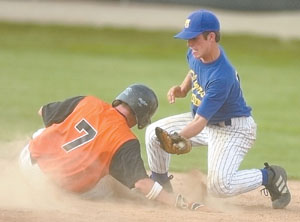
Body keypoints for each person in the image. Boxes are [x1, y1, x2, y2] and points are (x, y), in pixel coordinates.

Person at [145, 10, 291, 209]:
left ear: (211, 37)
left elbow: (198, 122)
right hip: (207, 120)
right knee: (154, 134)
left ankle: (270, 176)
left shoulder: (221, 76)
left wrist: (176, 136)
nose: (189, 44)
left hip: (233, 130)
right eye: (187, 38)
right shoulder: (196, 52)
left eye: (194, 38)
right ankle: (161, 184)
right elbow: (193, 70)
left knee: (219, 186)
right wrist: (182, 88)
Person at [18, 83, 206, 210]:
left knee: (46, 130)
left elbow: (43, 111)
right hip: (53, 188)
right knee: (110, 182)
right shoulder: (126, 140)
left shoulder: (88, 101)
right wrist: (177, 202)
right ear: (141, 117)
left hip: (26, 161)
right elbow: (142, 184)